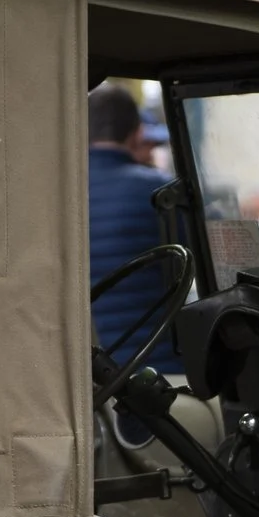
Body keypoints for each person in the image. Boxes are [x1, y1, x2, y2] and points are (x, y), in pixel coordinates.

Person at [88, 82, 178, 373]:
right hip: (158, 375)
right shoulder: (158, 190)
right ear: (136, 132)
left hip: (93, 380)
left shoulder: (55, 194)